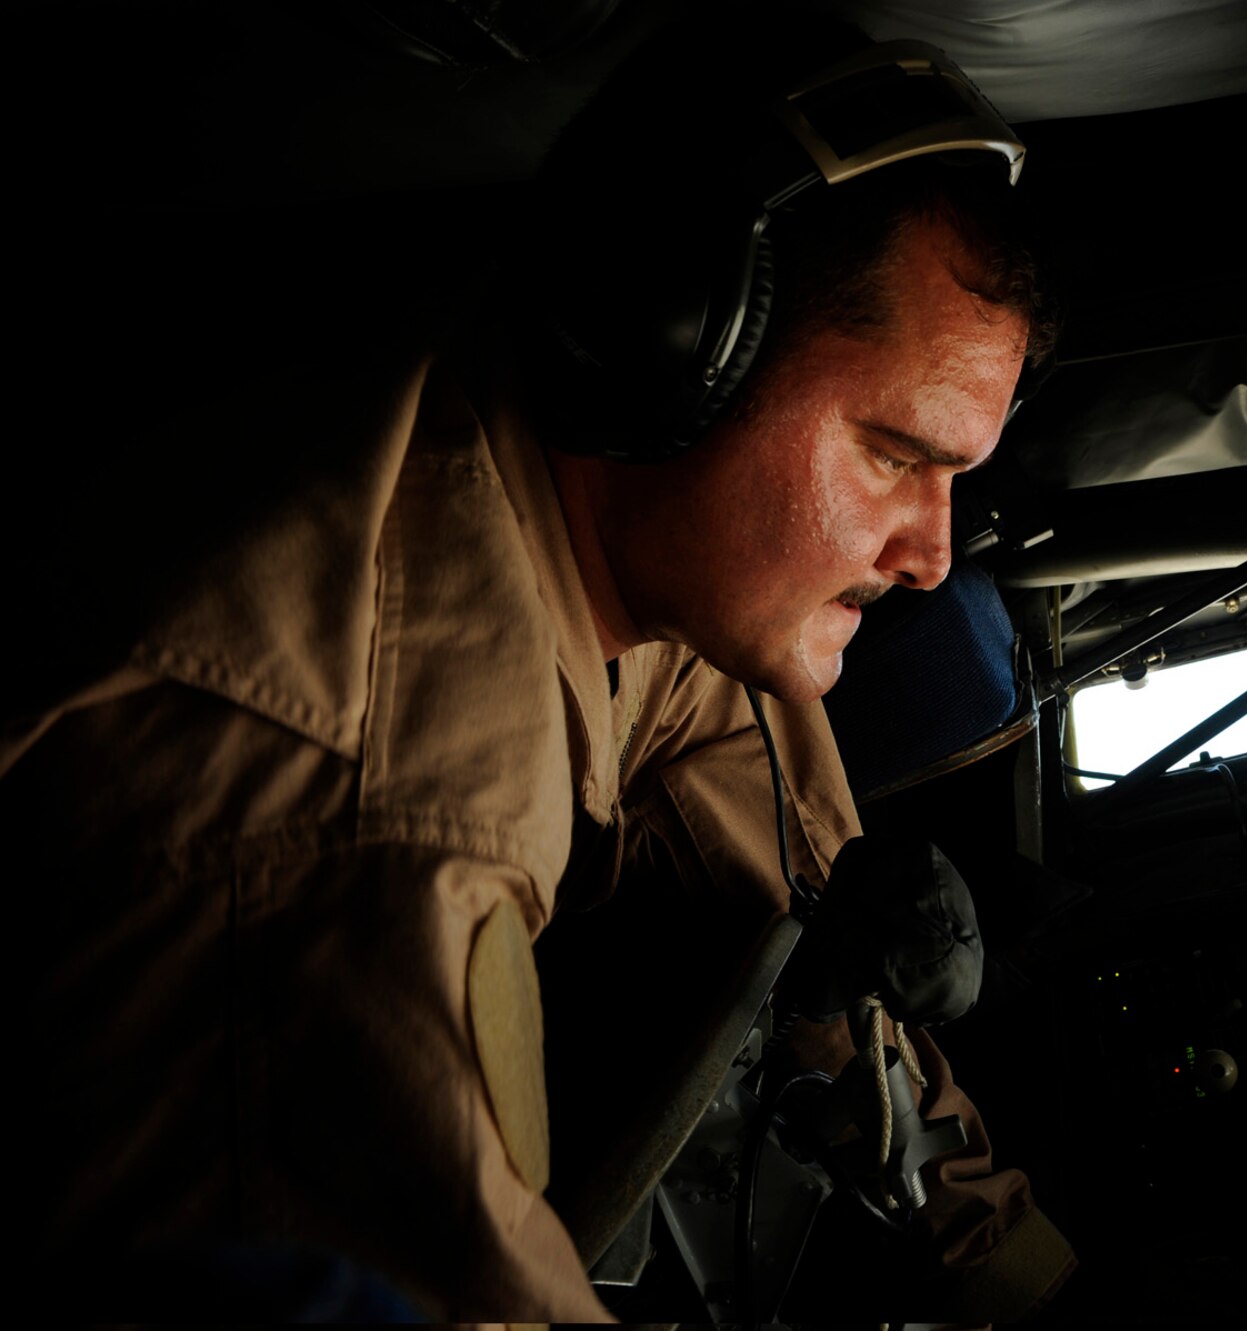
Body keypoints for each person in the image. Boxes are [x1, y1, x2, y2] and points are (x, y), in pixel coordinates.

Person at [6, 15, 1069, 1321]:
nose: (927, 556)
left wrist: (1015, 1262)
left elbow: (804, 901)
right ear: (668, 346)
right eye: (893, 455)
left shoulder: (609, 548)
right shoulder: (377, 809)